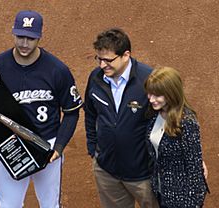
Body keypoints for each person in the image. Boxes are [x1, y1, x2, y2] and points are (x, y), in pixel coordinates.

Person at [0, 10, 83, 208]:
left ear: (39, 36)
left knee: (50, 204)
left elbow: (71, 111)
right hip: (11, 144)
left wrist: (58, 147)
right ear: (12, 33)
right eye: (20, 37)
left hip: (46, 146)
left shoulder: (57, 70)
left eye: (31, 38)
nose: (25, 43)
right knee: (8, 205)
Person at [84, 28, 159, 208]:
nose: (102, 65)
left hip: (144, 176)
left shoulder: (148, 80)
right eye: (99, 59)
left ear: (126, 55)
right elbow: (90, 113)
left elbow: (167, 119)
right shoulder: (96, 78)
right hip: (107, 172)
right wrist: (93, 148)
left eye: (108, 60)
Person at [144, 66, 209, 208]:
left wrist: (193, 202)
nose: (151, 99)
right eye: (149, 94)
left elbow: (194, 168)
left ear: (171, 93)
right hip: (161, 190)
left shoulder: (186, 123)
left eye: (157, 95)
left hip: (182, 198)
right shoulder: (155, 113)